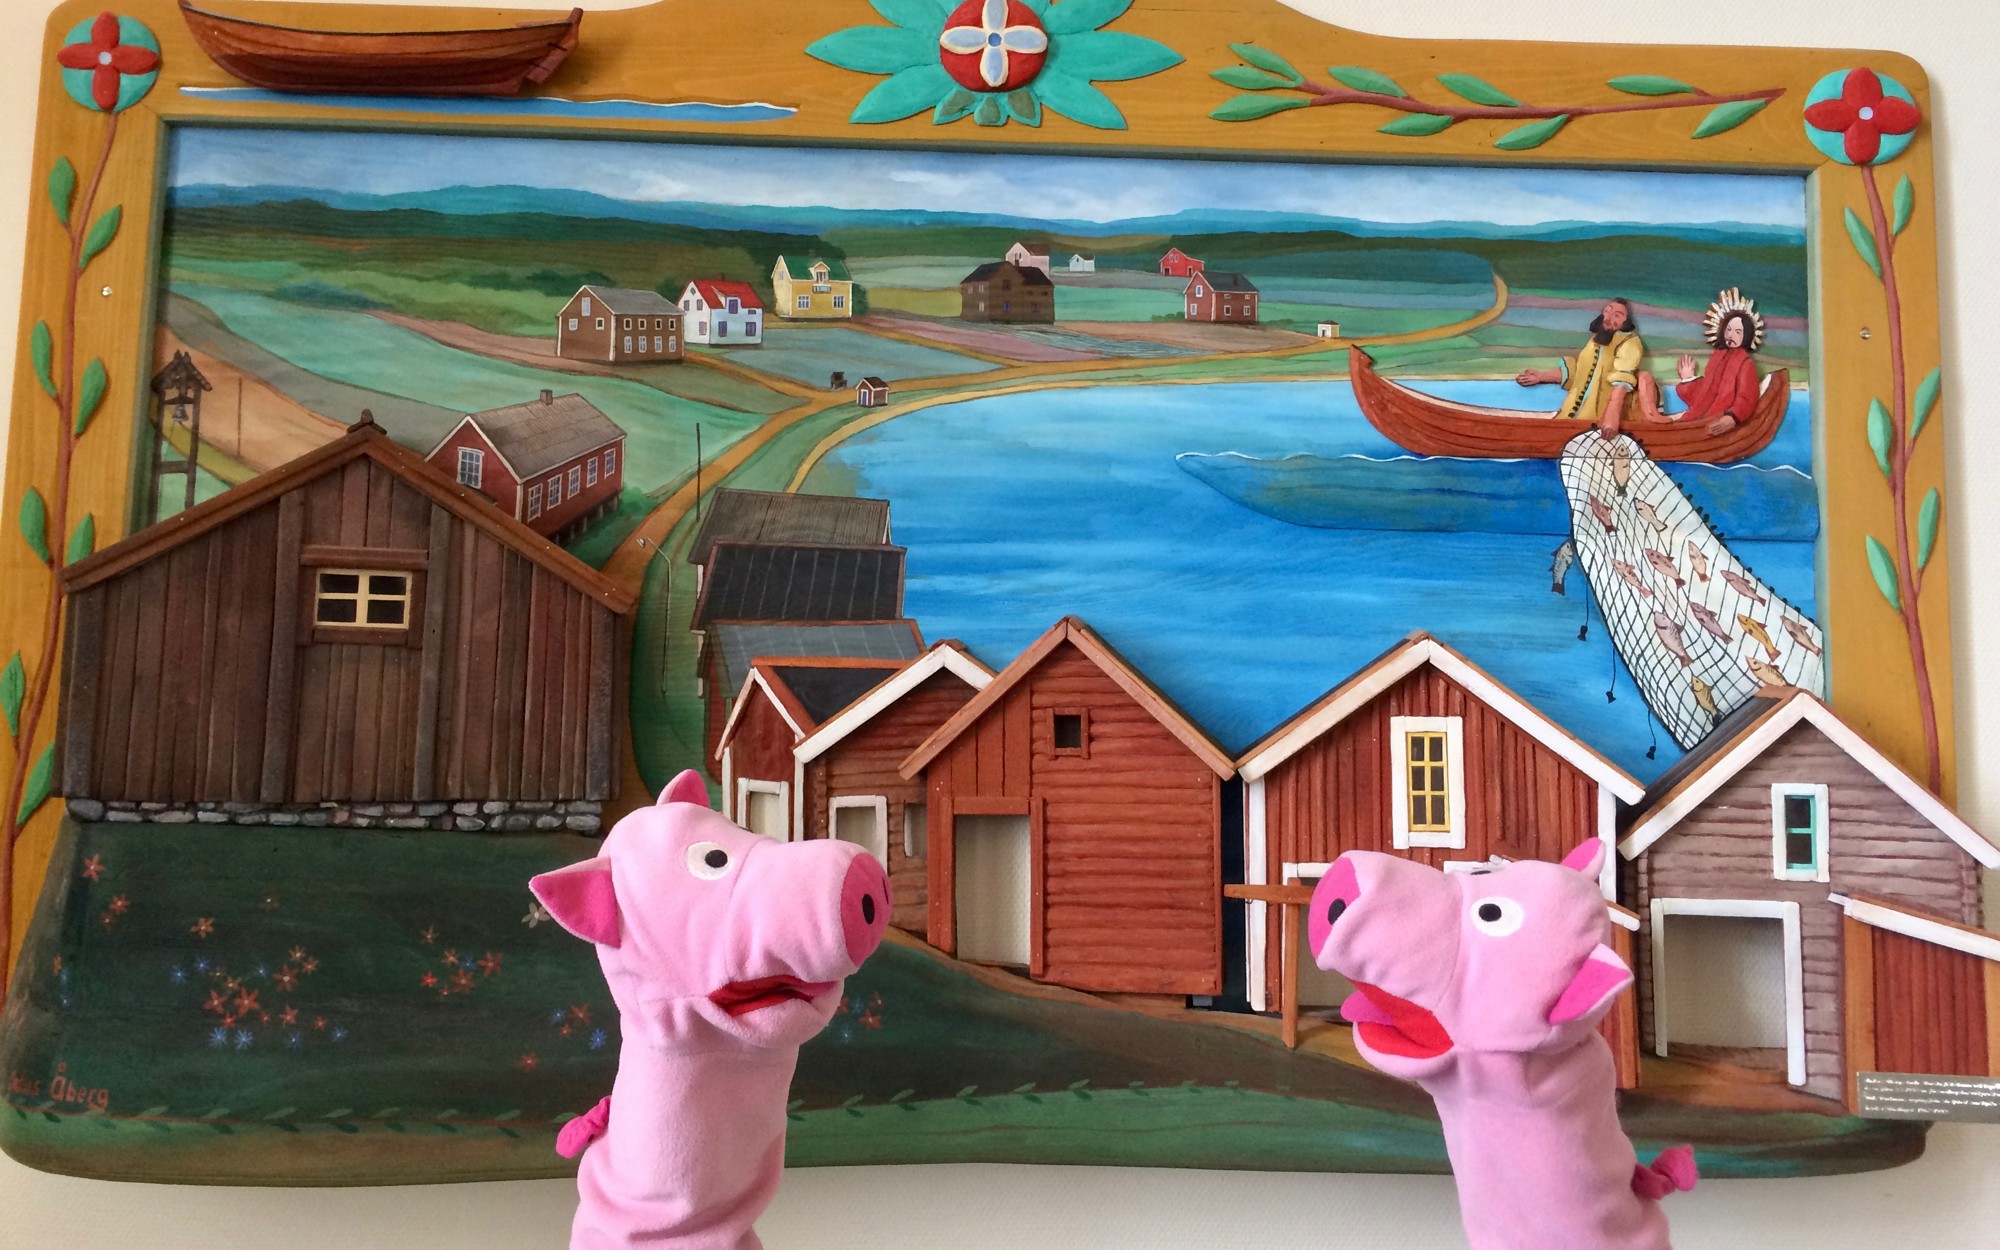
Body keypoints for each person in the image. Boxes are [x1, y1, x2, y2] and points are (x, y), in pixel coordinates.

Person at [1515, 297, 1660, 435]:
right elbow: (1577, 372)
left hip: (1601, 420)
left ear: (1625, 322)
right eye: (1607, 311)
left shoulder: (1629, 341)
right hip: (1571, 416)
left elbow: (1622, 378)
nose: (1609, 317)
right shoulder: (1594, 342)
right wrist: (1541, 377)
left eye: (1617, 315)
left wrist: (1612, 417)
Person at [1668, 289, 1765, 435]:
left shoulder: (1746, 364)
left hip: (1719, 421)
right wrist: (1689, 379)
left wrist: (1732, 417)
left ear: (1746, 335)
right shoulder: (1717, 358)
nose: (1731, 335)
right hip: (1700, 419)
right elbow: (1706, 393)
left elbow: (1747, 397)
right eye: (1729, 329)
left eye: (1738, 332)